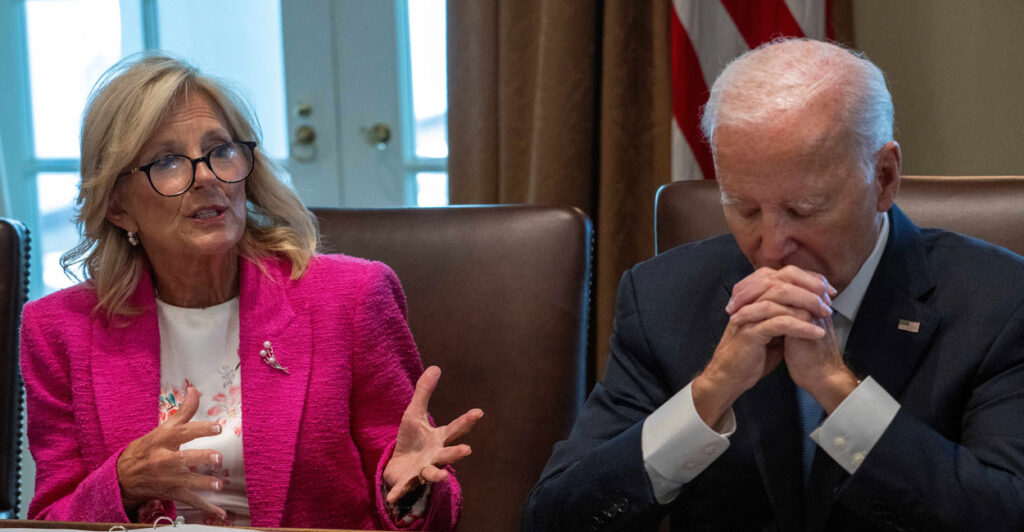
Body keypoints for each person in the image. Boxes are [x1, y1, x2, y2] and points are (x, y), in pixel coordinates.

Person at [523, 38, 1024, 531]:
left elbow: (1003, 513)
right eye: (744, 210)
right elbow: (556, 518)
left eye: (803, 211)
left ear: (884, 178)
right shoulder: (662, 298)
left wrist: (840, 393)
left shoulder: (1000, 303)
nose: (771, 247)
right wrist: (709, 395)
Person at [19, 55, 482, 530]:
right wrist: (122, 481)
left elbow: (421, 495)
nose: (206, 176)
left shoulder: (352, 298)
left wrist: (410, 492)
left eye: (220, 150)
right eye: (168, 161)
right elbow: (51, 522)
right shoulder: (58, 330)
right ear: (117, 206)